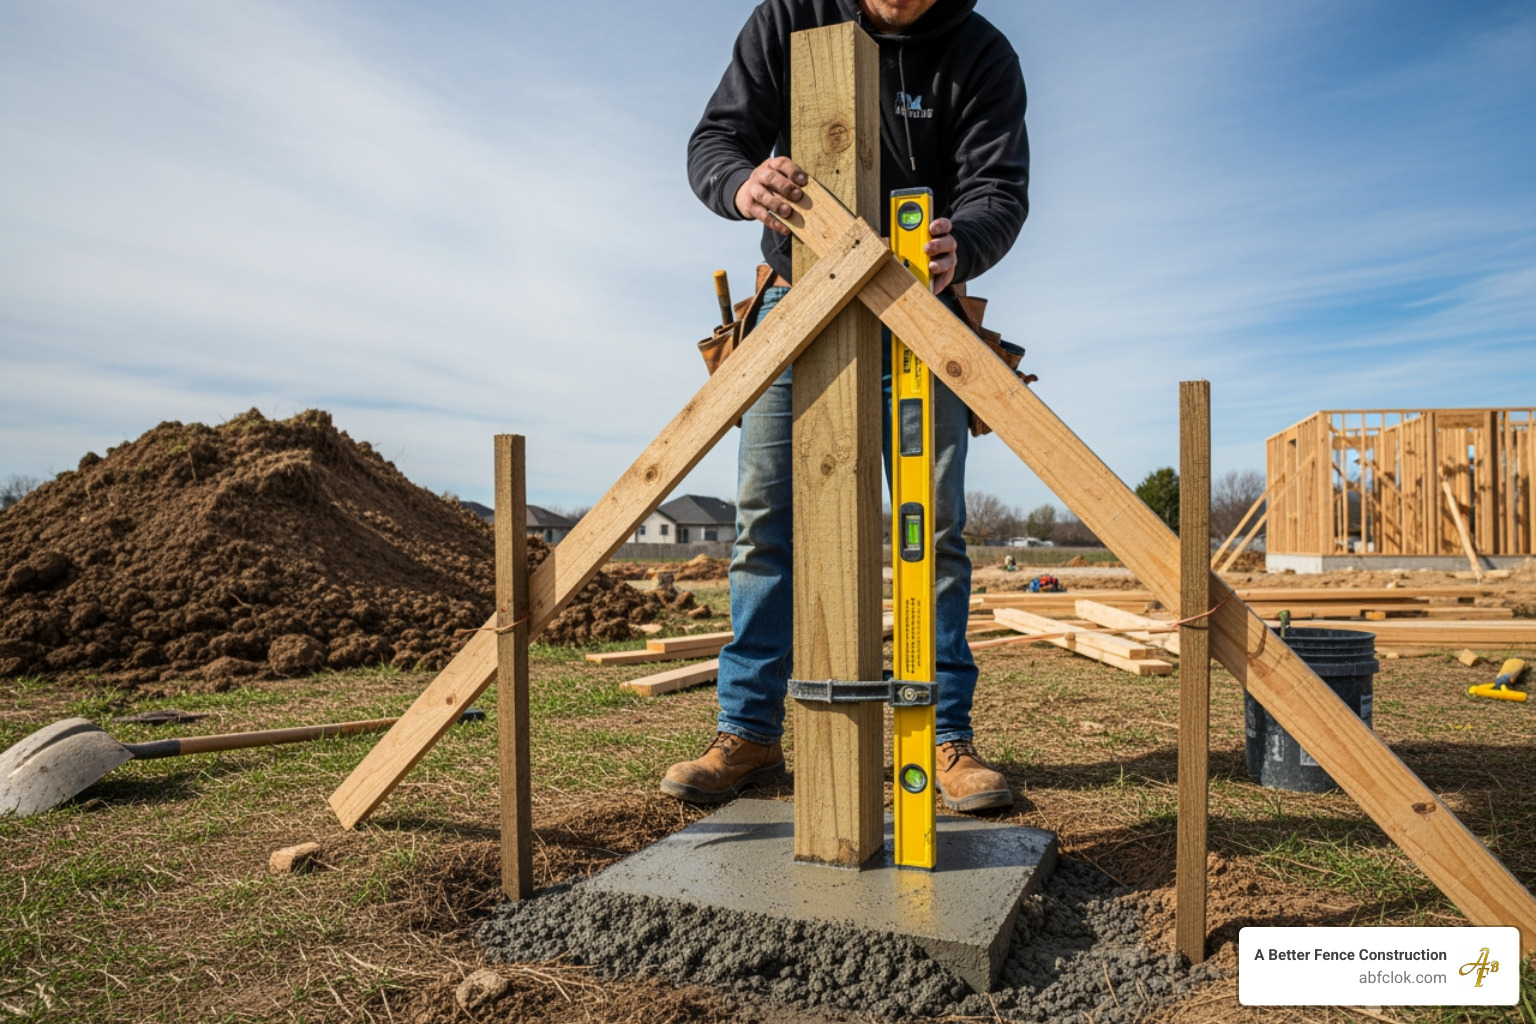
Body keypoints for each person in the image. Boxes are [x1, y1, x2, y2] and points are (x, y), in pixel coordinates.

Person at [661, 0, 1029, 812]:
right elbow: (714, 142)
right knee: (765, 520)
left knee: (930, 527)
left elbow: (999, 189)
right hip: (795, 301)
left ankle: (941, 736)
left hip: (919, 306)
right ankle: (749, 730)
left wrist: (960, 241)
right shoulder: (791, 17)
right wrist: (740, 183)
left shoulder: (979, 52)